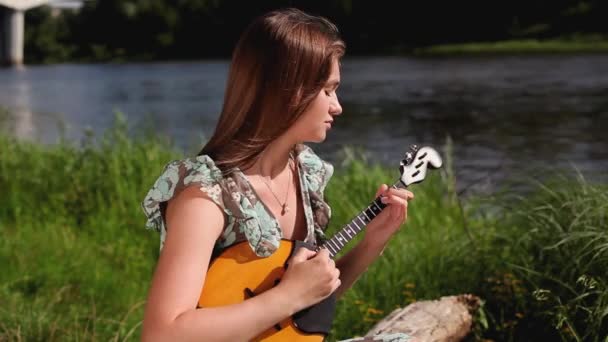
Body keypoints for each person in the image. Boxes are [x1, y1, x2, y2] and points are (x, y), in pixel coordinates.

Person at [140, 8, 414, 341]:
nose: (337, 106)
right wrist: (288, 296)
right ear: (289, 91)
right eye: (328, 90)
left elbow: (303, 305)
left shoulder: (304, 174)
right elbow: (161, 334)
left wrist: (372, 242)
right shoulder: (207, 195)